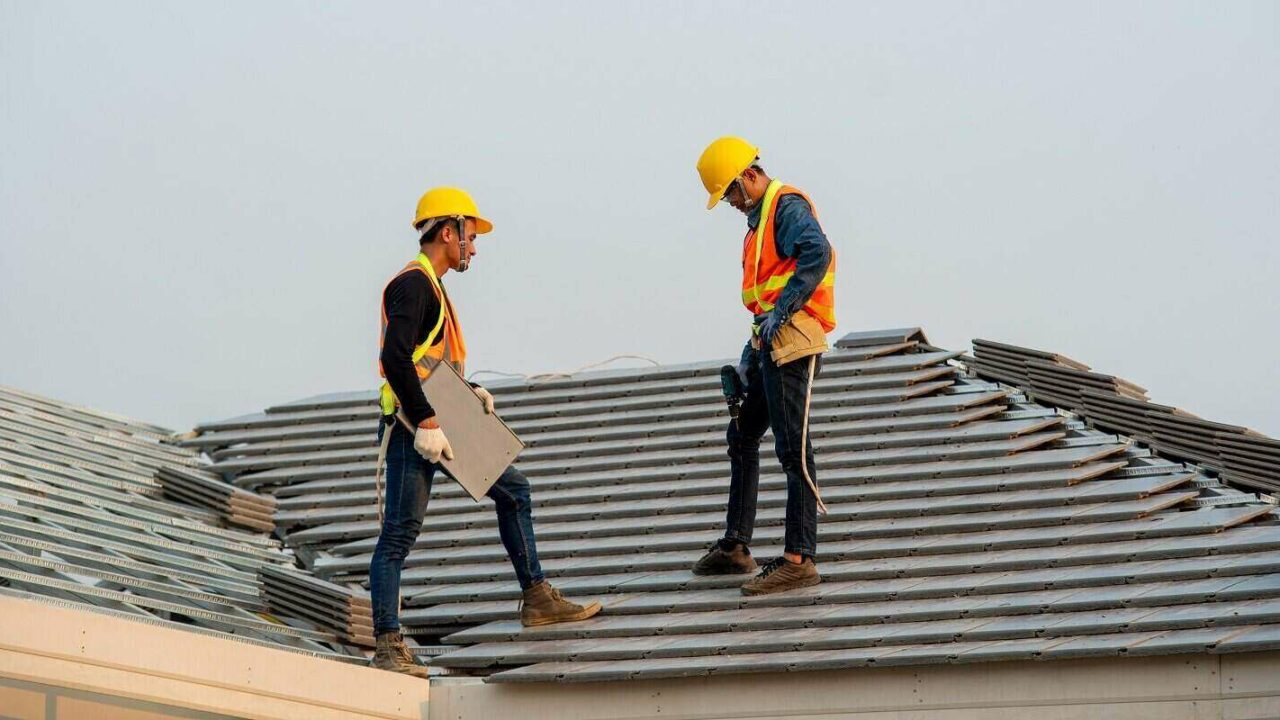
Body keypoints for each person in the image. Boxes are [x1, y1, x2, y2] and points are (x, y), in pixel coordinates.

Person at [369, 187, 601, 677]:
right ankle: (389, 646)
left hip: (433, 415)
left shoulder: (430, 284)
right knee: (399, 535)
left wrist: (465, 389)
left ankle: (537, 597)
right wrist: (428, 420)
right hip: (416, 425)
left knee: (513, 491)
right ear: (447, 232)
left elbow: (422, 359)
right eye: (470, 238)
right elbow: (395, 358)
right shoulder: (414, 284)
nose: (474, 248)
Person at [691, 137, 838, 596]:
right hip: (768, 339)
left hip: (793, 339)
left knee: (792, 449)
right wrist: (750, 354)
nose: (732, 204)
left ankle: (799, 558)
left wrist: (783, 311)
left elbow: (818, 253)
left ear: (749, 177)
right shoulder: (758, 222)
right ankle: (736, 545)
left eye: (731, 193)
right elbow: (762, 299)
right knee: (742, 433)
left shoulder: (785, 207)